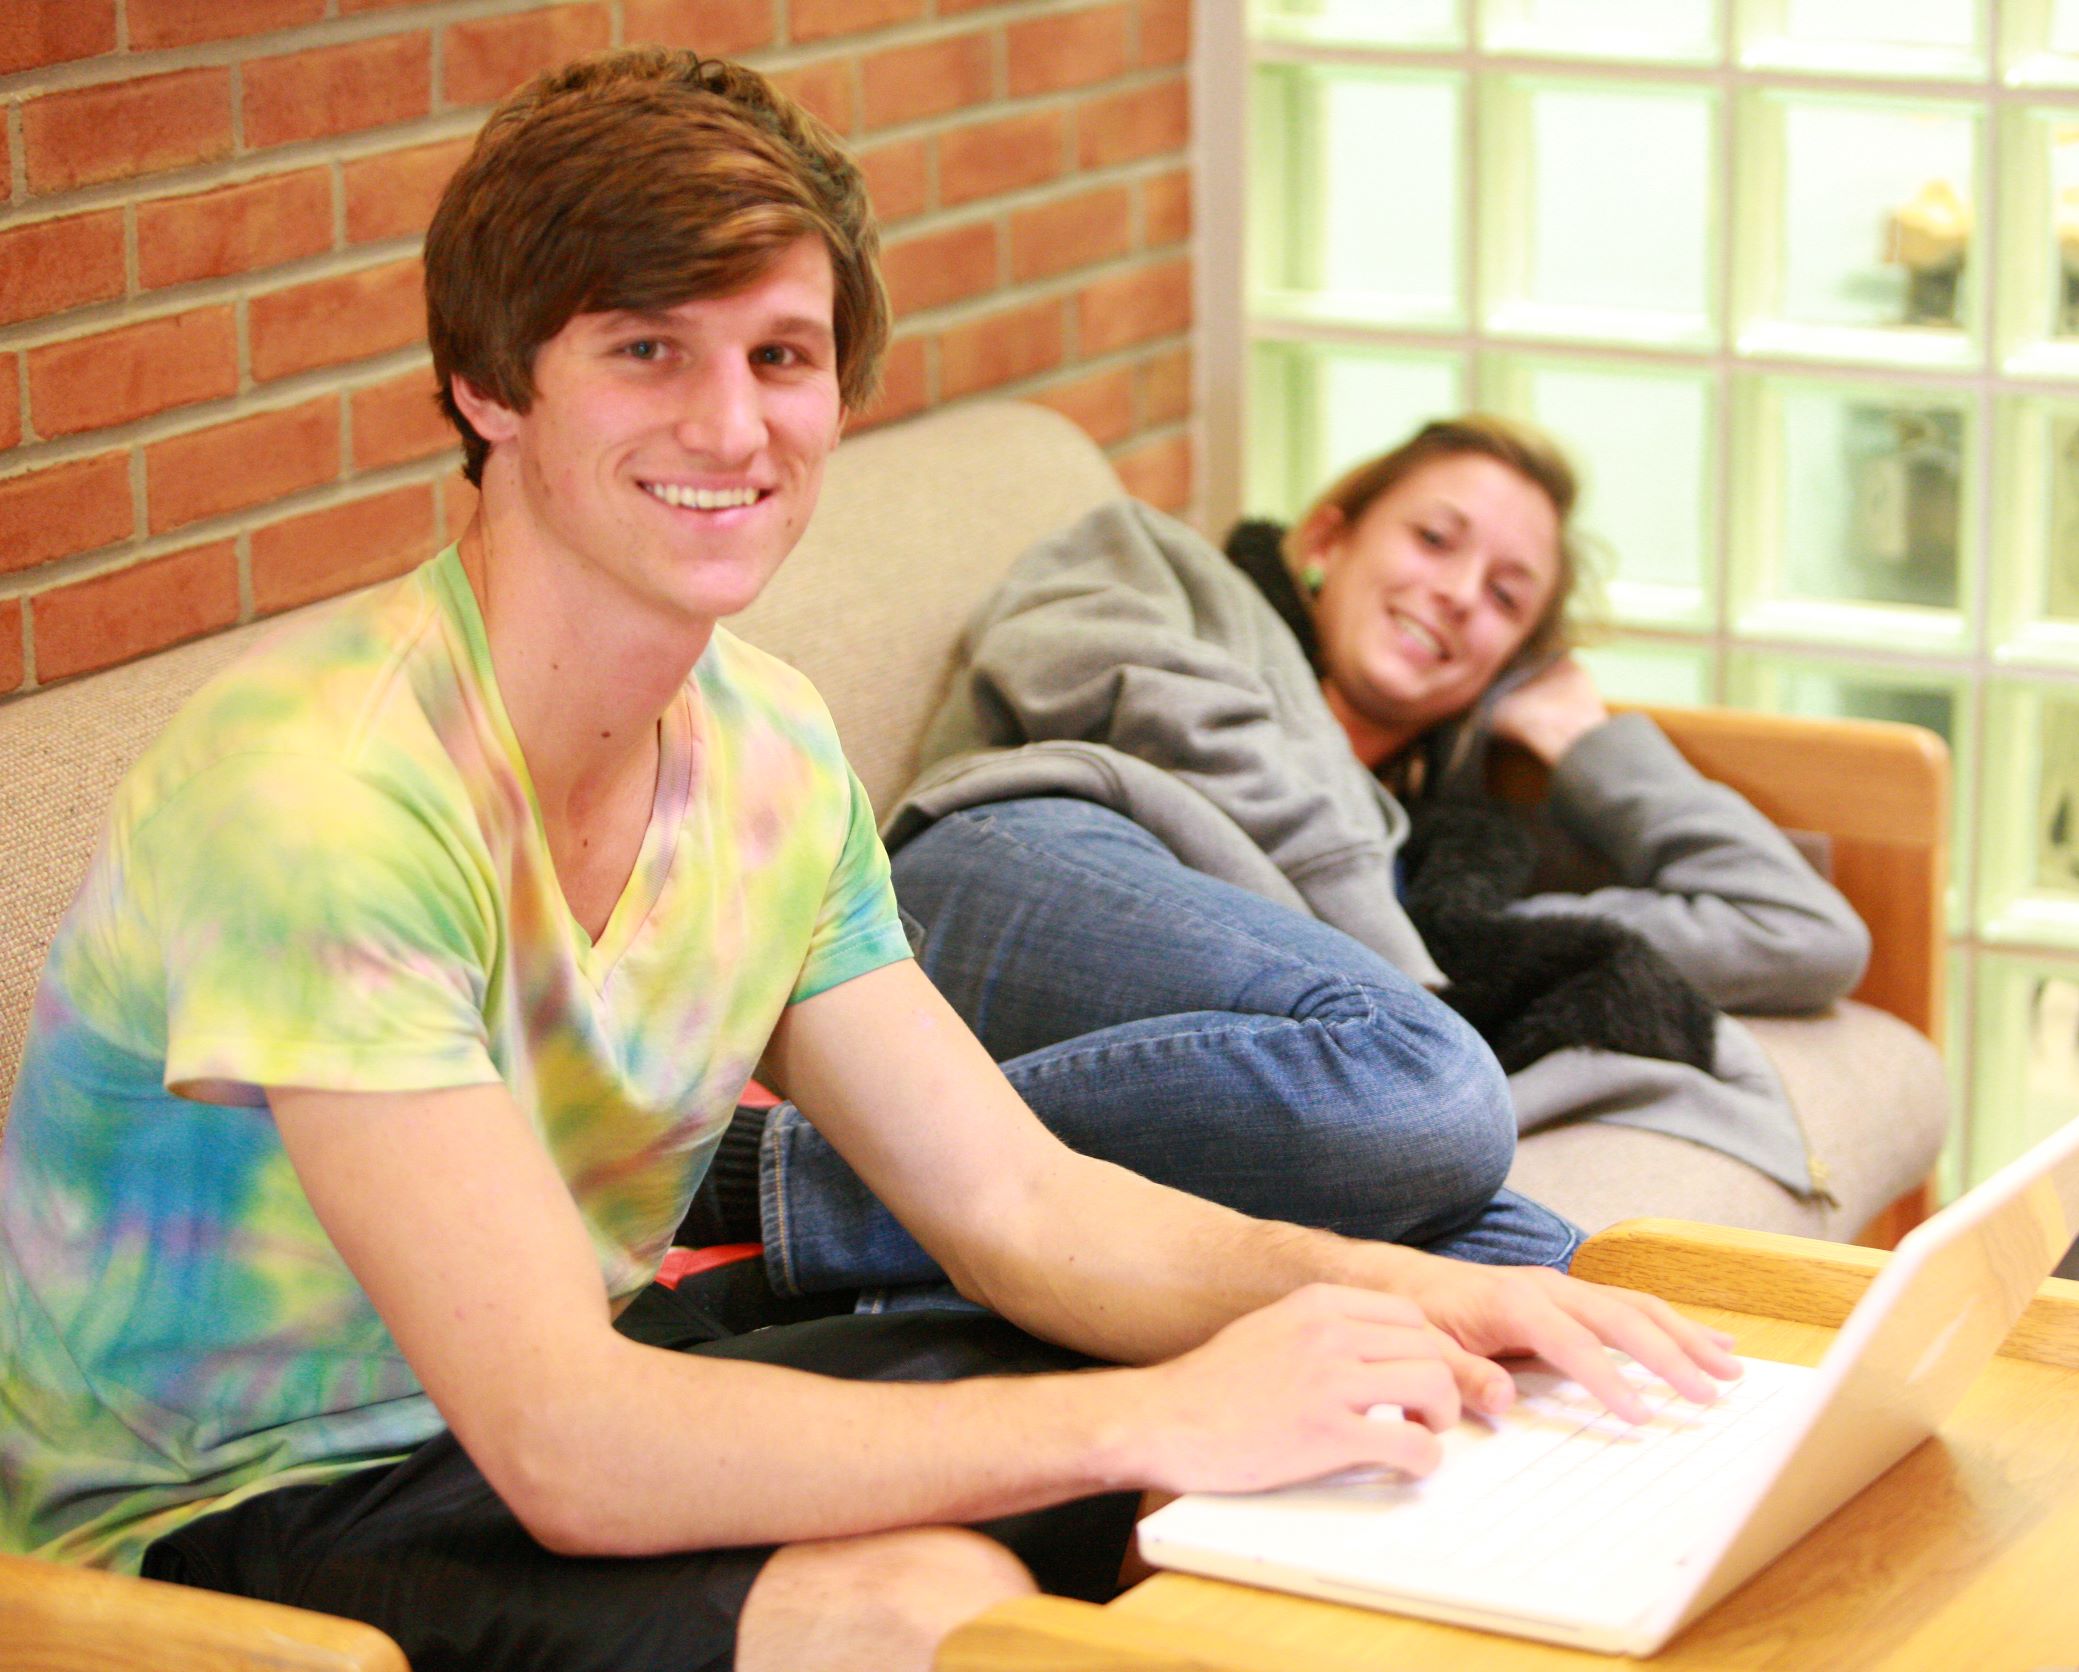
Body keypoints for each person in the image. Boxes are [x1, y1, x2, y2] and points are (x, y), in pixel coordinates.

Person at [0, 48, 1745, 1672]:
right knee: (928, 1600)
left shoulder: (766, 747)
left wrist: (1430, 1299)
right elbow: (568, 1448)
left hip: (586, 1392)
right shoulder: (326, 794)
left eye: (781, 357)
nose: (731, 426)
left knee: (1385, 1391)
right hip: (230, 1511)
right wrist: (1159, 1413)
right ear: (486, 383)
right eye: (645, 350)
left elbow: (1018, 1207)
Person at [717, 416, 1875, 1305]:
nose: (1458, 594)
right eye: (1435, 539)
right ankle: (769, 1169)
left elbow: (1803, 933)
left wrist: (1591, 744)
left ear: (1507, 664)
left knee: (1547, 1274)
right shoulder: (1165, 568)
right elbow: (1077, 668)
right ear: (1328, 540)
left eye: (1506, 599)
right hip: (1026, 860)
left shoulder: (1434, 866)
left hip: (1259, 1024)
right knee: (1436, 1088)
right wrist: (1380, 946)